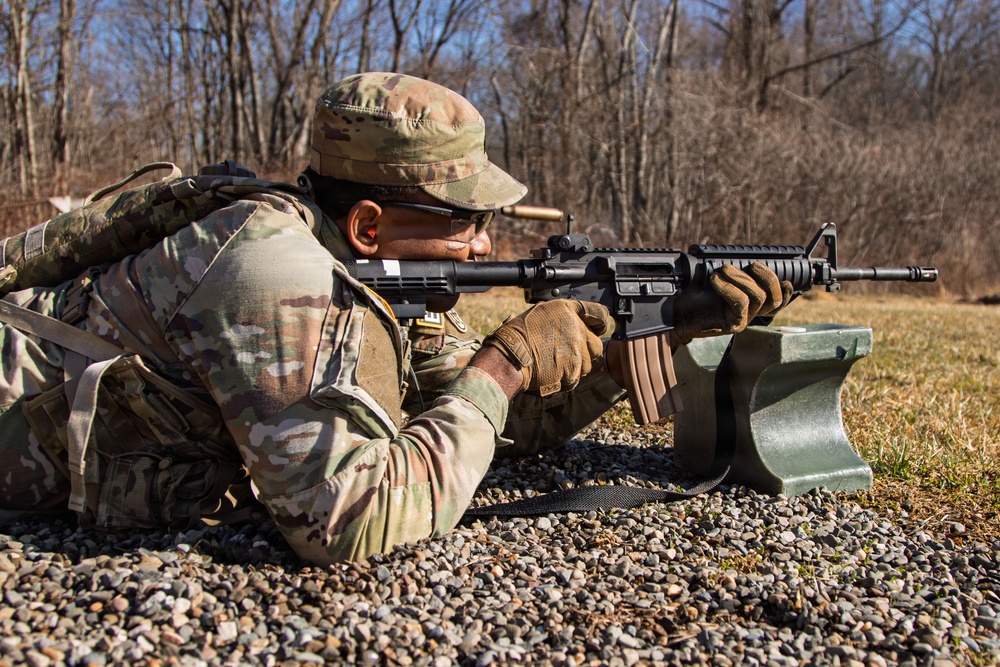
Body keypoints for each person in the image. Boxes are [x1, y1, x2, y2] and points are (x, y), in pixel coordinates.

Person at [0, 72, 789, 564]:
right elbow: (343, 523)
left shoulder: (377, 275)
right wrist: (505, 362)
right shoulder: (279, 273)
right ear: (371, 223)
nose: (484, 247)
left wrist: (643, 339)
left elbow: (484, 426)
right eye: (464, 220)